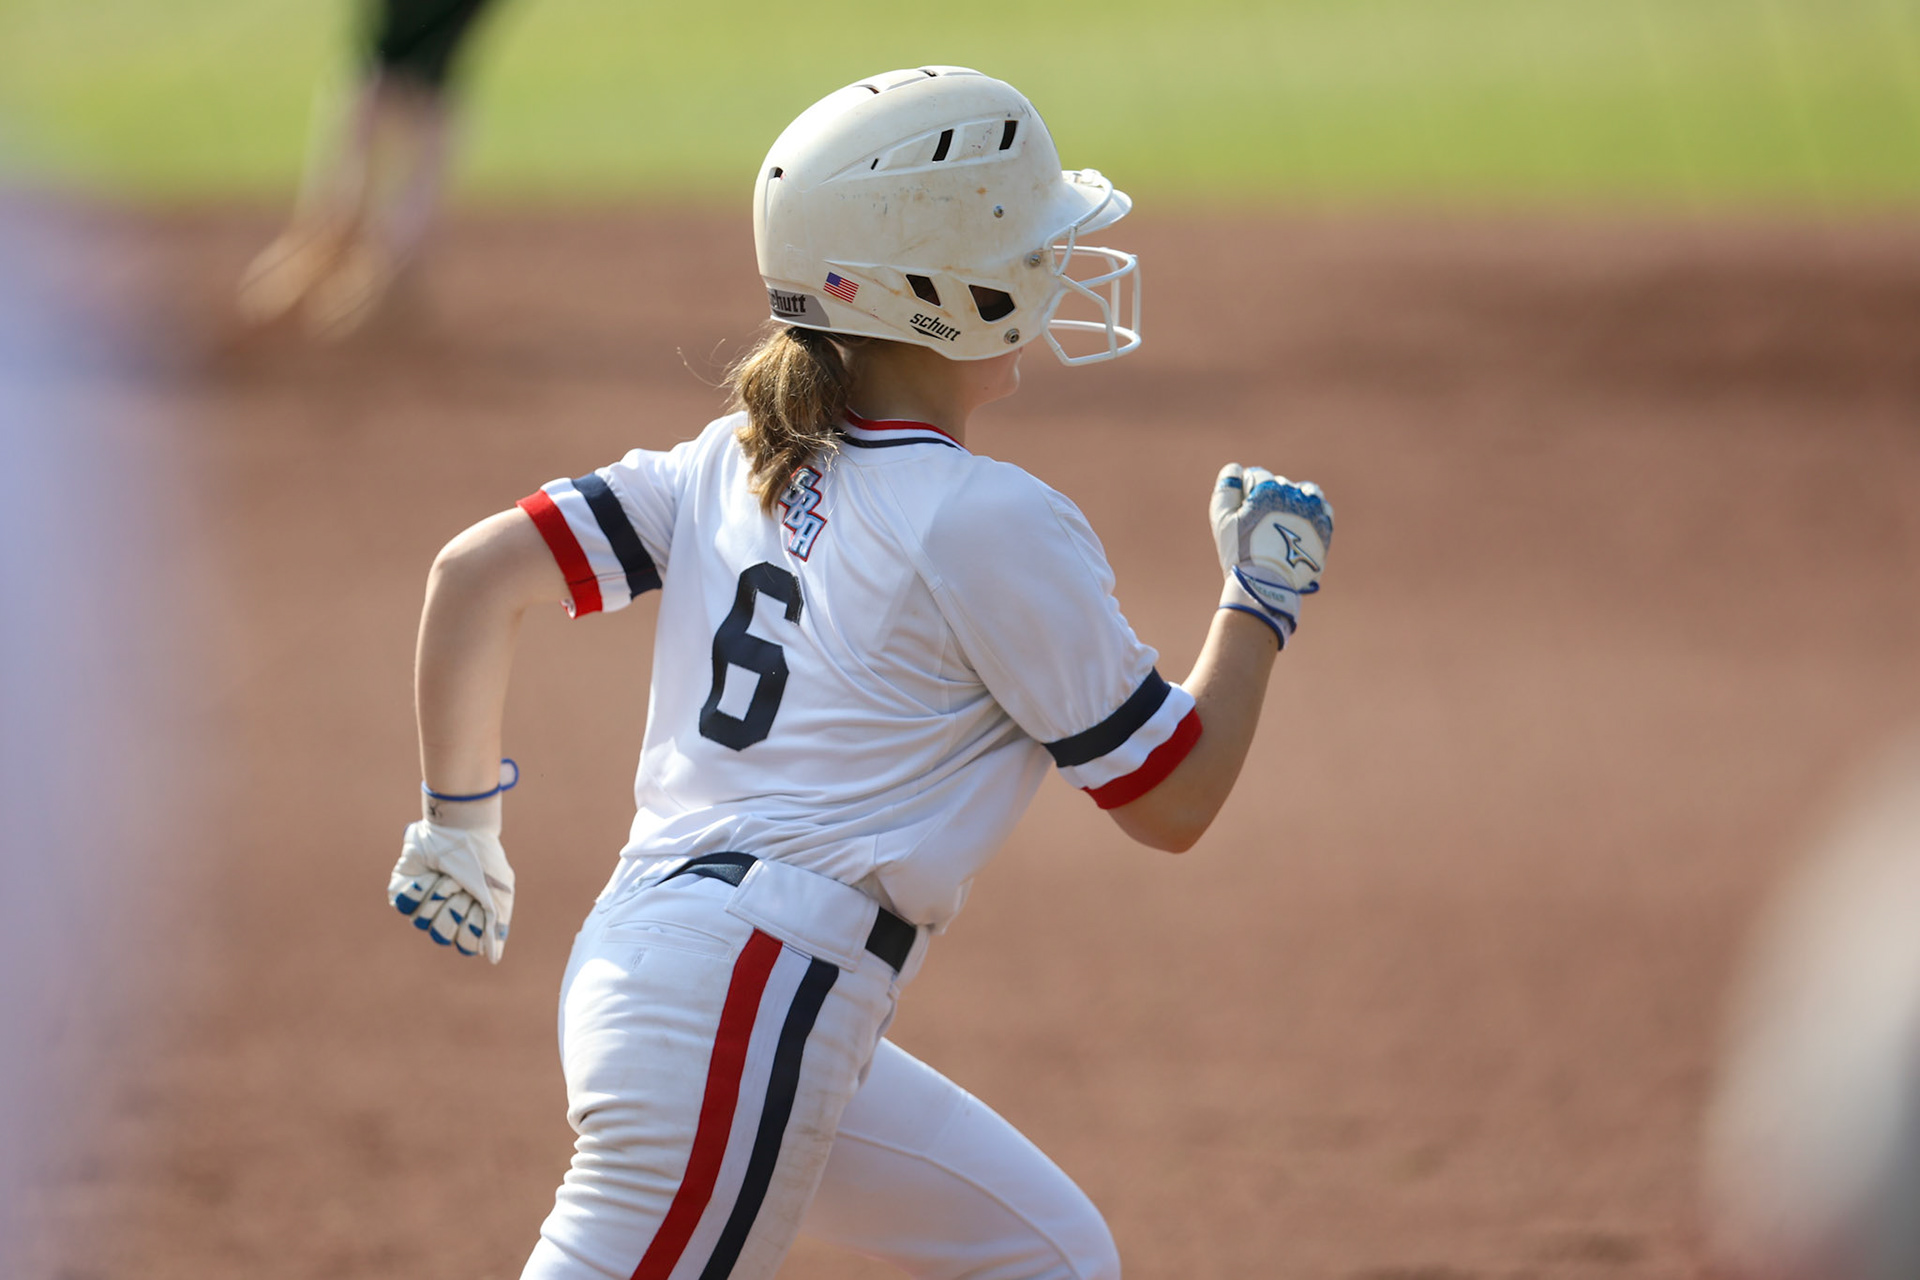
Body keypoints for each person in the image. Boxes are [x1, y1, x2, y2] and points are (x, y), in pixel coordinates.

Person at [387, 66, 1334, 1280]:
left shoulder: (727, 459)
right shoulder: (984, 517)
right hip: (750, 988)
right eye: (1033, 242)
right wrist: (1260, 597)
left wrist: (459, 826)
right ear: (948, 286)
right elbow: (1173, 798)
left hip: (683, 969)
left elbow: (475, 574)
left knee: (1049, 1257)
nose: (1058, 264)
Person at [236, 0, 501, 337]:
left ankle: (372, 271)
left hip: (418, 93)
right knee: (378, 97)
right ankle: (328, 251)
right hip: (390, 88)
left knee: (406, 99)